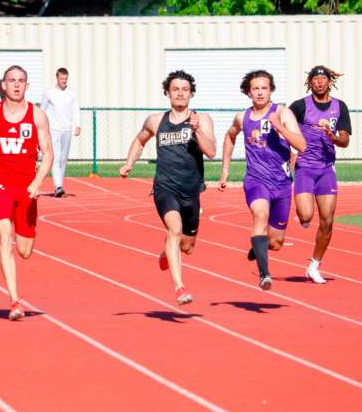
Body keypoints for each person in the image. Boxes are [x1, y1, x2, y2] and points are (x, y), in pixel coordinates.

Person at [0, 65, 54, 320]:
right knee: (4, 237)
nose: (16, 85)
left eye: (21, 81)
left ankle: (16, 292)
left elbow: (48, 153)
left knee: (25, 251)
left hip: (27, 189)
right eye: (12, 81)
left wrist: (37, 182)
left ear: (27, 86)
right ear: (3, 85)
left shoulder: (37, 116)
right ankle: (15, 301)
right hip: (0, 187)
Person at [119, 70, 216, 305]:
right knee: (174, 228)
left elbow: (211, 152)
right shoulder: (155, 121)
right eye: (175, 89)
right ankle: (179, 287)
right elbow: (140, 139)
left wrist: (197, 130)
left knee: (188, 246)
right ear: (167, 93)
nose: (180, 93)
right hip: (165, 188)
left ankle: (166, 253)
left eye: (184, 89)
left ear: (191, 93)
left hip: (191, 190)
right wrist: (129, 162)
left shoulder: (201, 120)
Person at [218, 70, 306, 290]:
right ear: (249, 92)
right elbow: (230, 136)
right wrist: (225, 170)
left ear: (271, 90)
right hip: (256, 181)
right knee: (260, 214)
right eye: (255, 88)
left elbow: (302, 146)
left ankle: (259, 245)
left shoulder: (283, 113)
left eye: (264, 88)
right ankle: (264, 274)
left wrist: (279, 127)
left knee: (276, 242)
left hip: (282, 184)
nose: (260, 92)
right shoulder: (242, 117)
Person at [288, 65, 352, 284]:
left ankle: (314, 265)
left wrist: (331, 135)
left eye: (323, 79)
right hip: (305, 166)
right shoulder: (299, 106)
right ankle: (303, 215)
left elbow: (344, 141)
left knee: (327, 221)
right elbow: (284, 129)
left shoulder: (339, 107)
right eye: (315, 79)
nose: (319, 82)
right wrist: (290, 153)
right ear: (310, 83)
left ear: (329, 82)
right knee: (306, 216)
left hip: (326, 168)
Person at [40, 67, 80, 198]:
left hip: (67, 129)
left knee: (63, 158)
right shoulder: (49, 93)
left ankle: (60, 184)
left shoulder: (71, 94)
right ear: (57, 78)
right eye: (62, 79)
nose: (64, 81)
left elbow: (75, 109)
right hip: (53, 129)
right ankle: (57, 186)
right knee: (55, 157)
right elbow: (42, 110)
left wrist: (77, 125)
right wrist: (41, 127)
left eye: (65, 79)